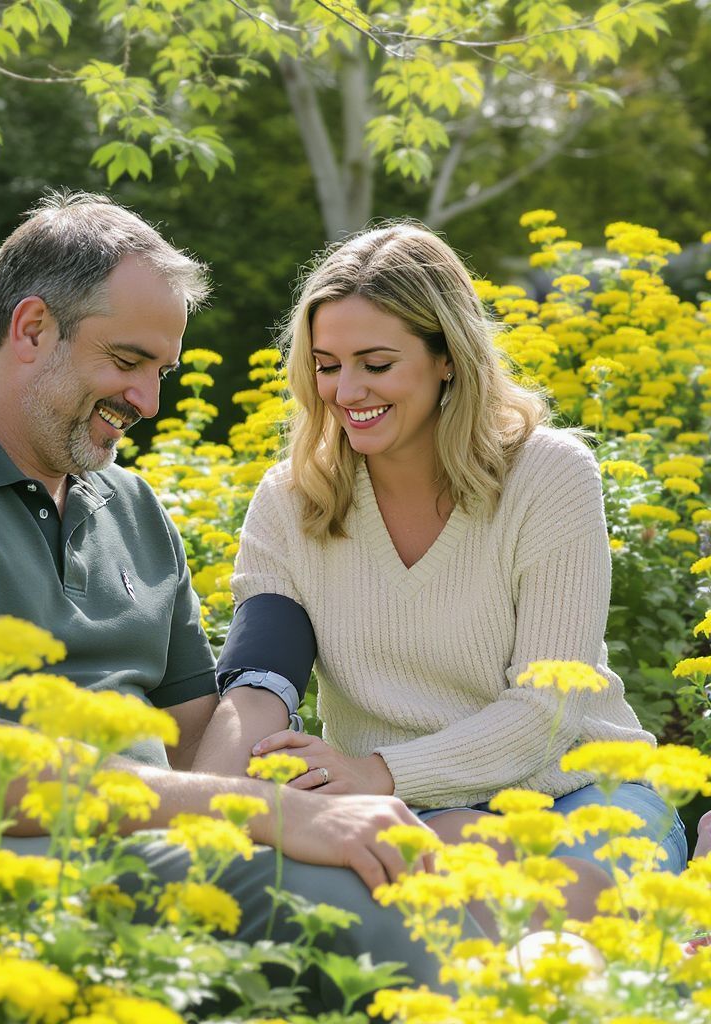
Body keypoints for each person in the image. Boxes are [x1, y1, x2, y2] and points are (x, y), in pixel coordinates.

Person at [0, 193, 449, 1003]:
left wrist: (326, 794)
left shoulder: (129, 508)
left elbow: (199, 745)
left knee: (420, 880)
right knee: (358, 910)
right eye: (128, 362)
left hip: (140, 852)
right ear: (31, 330)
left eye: (160, 373)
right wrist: (266, 819)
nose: (148, 401)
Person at [190, 222, 688, 928]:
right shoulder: (291, 498)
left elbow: (548, 710)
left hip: (577, 789)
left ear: (447, 358)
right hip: (399, 813)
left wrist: (378, 773)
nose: (346, 389)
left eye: (377, 363)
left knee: (543, 917)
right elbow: (260, 679)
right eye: (327, 364)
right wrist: (201, 814)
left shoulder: (548, 476)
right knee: (425, 901)